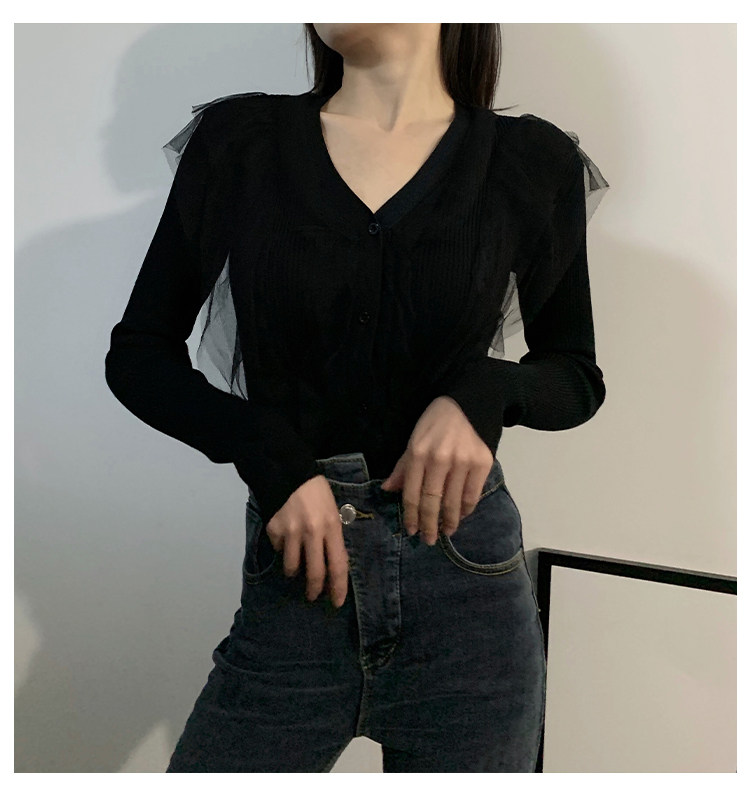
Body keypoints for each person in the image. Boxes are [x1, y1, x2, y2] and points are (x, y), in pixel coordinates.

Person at [105, 22, 609, 772]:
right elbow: (140, 354)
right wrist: (266, 452)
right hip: (297, 581)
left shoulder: (530, 161)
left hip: (468, 595)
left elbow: (575, 373)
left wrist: (484, 391)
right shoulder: (243, 142)